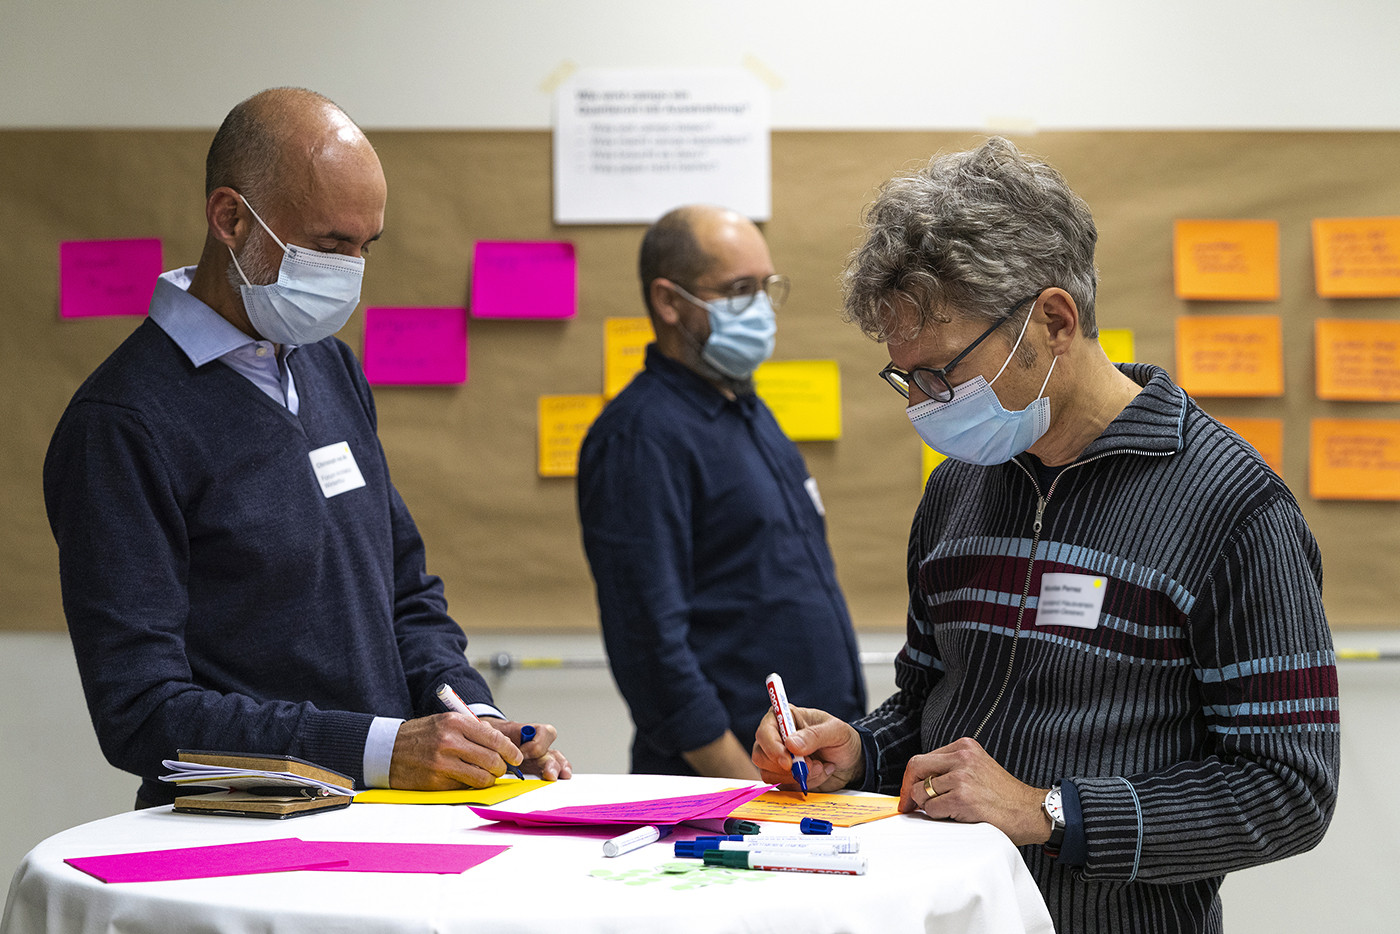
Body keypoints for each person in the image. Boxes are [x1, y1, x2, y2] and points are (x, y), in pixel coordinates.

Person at [751, 138, 1339, 934]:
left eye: (942, 375)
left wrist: (1051, 814)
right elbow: (931, 705)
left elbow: (1289, 788)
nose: (925, 405)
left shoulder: (1233, 507)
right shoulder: (959, 487)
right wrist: (860, 750)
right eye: (906, 380)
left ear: (1054, 321)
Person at [43, 88, 569, 808]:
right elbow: (140, 710)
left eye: (364, 247)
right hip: (238, 840)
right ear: (229, 218)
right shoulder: (122, 422)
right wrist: (381, 748)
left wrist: (470, 717)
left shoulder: (328, 366)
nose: (350, 270)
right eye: (328, 245)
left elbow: (406, 593)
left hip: (385, 816)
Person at [577, 204, 867, 779]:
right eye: (738, 290)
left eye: (766, 288)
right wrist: (738, 783)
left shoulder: (748, 412)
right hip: (727, 789)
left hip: (803, 774)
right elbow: (650, 646)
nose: (759, 308)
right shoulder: (641, 437)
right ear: (669, 301)